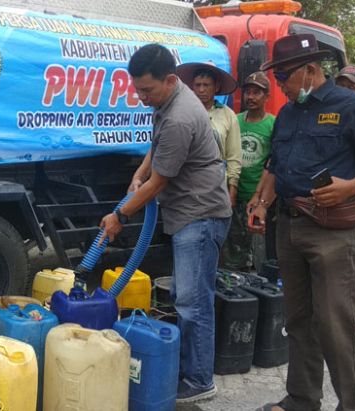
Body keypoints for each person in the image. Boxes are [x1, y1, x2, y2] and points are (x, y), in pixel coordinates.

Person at [249, 34, 355, 411]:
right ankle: (302, 398)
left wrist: (350, 186)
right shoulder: (287, 112)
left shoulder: (351, 107)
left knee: (334, 326)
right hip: (289, 226)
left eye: (284, 77)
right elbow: (276, 163)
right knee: (299, 320)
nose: (280, 86)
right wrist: (261, 202)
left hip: (332, 231)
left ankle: (350, 405)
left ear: (311, 70)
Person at [97, 44, 230, 403]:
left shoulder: (180, 115)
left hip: (200, 216)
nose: (141, 98)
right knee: (188, 298)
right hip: (188, 214)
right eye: (137, 89)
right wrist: (138, 175)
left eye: (148, 91)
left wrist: (119, 215)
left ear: (170, 80)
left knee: (192, 302)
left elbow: (159, 183)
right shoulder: (169, 102)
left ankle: (200, 380)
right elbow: (157, 152)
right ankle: (189, 370)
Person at [176, 61, 241, 207]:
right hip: (187, 188)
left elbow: (233, 157)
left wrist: (232, 191)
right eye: (198, 85)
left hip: (217, 188)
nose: (201, 90)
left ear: (216, 87)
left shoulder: (227, 115)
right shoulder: (183, 113)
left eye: (206, 85)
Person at [228, 71, 274, 271]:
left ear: (266, 97)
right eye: (247, 92)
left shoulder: (273, 124)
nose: (251, 97)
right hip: (234, 196)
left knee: (260, 257)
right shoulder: (235, 120)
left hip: (260, 201)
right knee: (234, 255)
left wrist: (261, 196)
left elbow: (273, 164)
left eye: (257, 93)